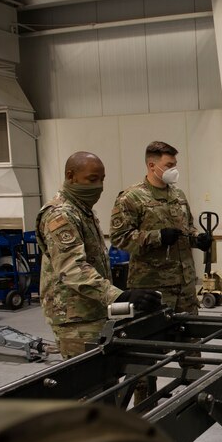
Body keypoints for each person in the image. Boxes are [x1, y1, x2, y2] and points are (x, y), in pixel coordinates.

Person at [36, 151, 161, 359]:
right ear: (71, 176)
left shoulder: (82, 210)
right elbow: (73, 270)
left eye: (102, 179)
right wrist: (119, 295)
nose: (99, 186)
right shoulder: (61, 215)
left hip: (92, 310)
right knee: (89, 385)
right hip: (75, 318)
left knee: (106, 380)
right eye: (92, 179)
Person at [110, 141, 211, 315]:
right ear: (152, 165)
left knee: (191, 337)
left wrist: (197, 239)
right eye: (169, 165)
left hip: (185, 285)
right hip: (153, 287)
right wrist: (158, 237)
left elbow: (187, 227)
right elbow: (120, 238)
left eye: (175, 165)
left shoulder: (177, 194)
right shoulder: (131, 198)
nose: (174, 170)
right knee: (158, 338)